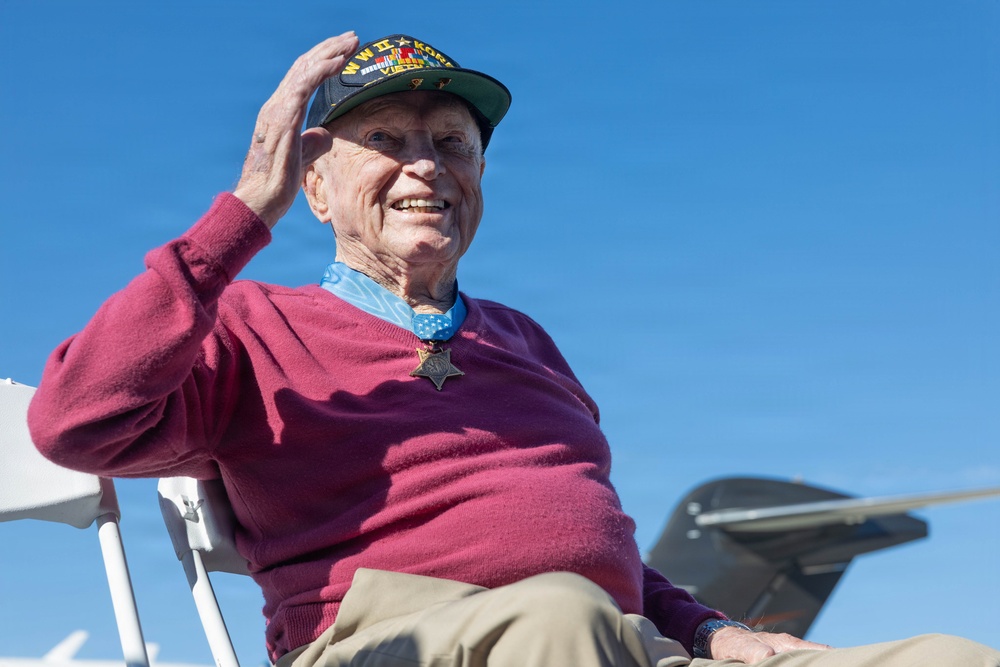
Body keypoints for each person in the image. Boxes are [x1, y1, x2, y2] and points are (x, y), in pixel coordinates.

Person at [27, 32, 999, 667]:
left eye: (452, 143)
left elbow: (604, 547)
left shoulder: (527, 342)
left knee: (950, 657)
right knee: (559, 613)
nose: (425, 165)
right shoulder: (249, 325)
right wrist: (244, 211)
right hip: (385, 640)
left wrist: (713, 629)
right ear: (314, 184)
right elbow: (76, 422)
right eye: (386, 139)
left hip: (610, 638)